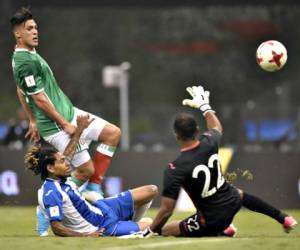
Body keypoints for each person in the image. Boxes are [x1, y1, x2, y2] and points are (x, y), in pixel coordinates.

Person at [129, 85, 297, 238]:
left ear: (177, 136)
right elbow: (216, 128)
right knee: (237, 193)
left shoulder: (175, 168)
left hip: (211, 220)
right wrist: (205, 107)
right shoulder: (209, 142)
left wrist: (150, 231)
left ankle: (221, 229)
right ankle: (283, 218)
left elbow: (167, 210)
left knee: (164, 230)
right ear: (197, 130)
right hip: (232, 203)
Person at [10, 7, 119, 197]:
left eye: (35, 27)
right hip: (55, 124)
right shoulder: (25, 62)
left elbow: (21, 90)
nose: (35, 31)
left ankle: (93, 188)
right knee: (85, 170)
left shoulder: (29, 54)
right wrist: (64, 123)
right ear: (18, 33)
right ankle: (52, 204)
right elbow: (37, 97)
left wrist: (32, 119)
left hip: (69, 112)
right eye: (29, 28)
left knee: (112, 134)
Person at [25, 115, 158, 237]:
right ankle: (130, 228)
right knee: (154, 225)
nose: (66, 163)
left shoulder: (63, 179)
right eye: (61, 161)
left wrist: (80, 129)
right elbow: (57, 228)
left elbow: (69, 152)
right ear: (50, 168)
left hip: (103, 207)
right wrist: (87, 236)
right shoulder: (51, 192)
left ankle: (131, 225)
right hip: (103, 226)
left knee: (152, 190)